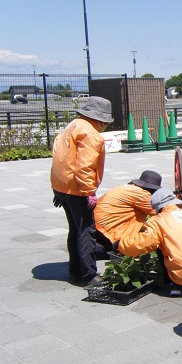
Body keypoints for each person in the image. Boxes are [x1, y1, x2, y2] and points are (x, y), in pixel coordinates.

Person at [51, 96, 114, 287]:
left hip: (62, 186)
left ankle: (75, 271)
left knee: (74, 230)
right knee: (86, 231)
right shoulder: (91, 134)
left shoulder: (72, 126)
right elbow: (85, 166)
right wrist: (90, 192)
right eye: (106, 123)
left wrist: (57, 190)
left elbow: (58, 156)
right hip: (77, 189)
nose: (106, 127)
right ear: (100, 120)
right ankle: (89, 275)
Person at [116, 188, 182, 291]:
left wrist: (120, 244)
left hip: (180, 276)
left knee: (162, 246)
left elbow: (142, 243)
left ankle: (174, 284)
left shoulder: (156, 222)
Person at [93, 170, 162, 257]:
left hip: (95, 222)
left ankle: (86, 247)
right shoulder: (141, 194)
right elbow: (159, 212)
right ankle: (88, 251)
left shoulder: (127, 188)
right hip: (105, 227)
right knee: (118, 249)